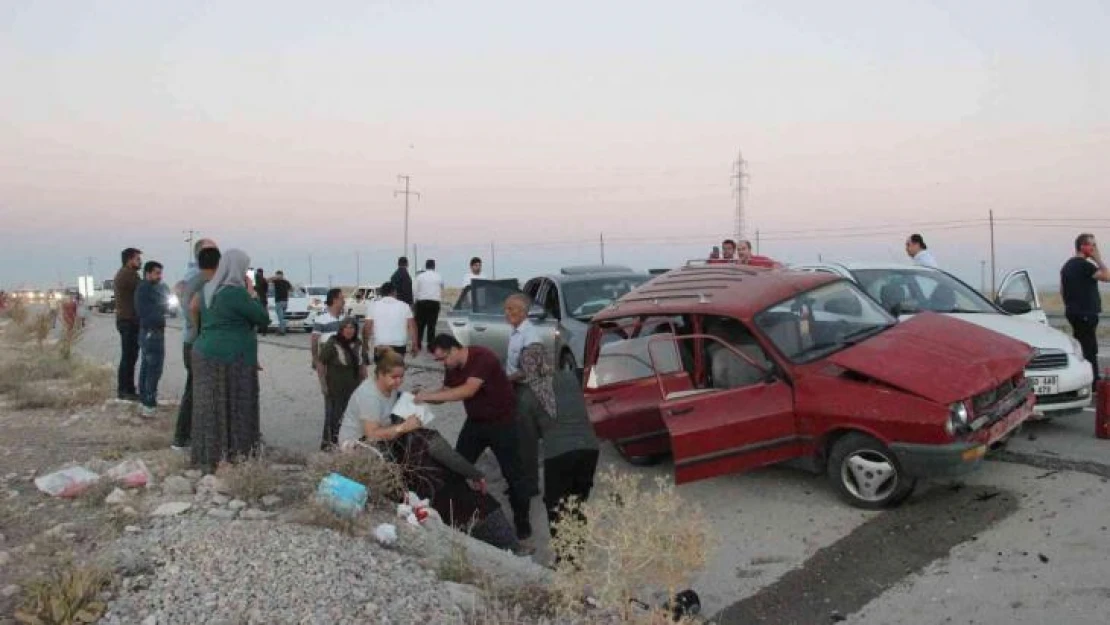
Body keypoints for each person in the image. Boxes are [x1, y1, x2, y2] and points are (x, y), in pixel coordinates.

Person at [416, 334, 533, 540]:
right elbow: (445, 392)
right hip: (476, 423)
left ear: (453, 350)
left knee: (513, 474)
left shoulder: (482, 357)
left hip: (502, 422)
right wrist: (422, 397)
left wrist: (428, 396)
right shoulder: (451, 366)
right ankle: (455, 515)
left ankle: (522, 525)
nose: (442, 363)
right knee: (457, 466)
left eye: (443, 358)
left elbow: (468, 390)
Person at [191, 249, 271, 471]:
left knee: (212, 409)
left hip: (205, 353)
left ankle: (209, 457)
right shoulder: (235, 293)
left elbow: (194, 310)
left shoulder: (208, 289)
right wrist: (253, 293)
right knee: (237, 406)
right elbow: (263, 318)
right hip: (231, 358)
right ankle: (236, 456)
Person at [516, 343, 600, 540]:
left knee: (556, 508)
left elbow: (529, 443)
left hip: (558, 455)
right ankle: (577, 552)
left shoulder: (527, 396)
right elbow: (589, 397)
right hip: (590, 448)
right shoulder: (572, 377)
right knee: (577, 502)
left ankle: (566, 561)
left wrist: (530, 480)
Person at [175, 242, 219, 451]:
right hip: (197, 342)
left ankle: (187, 436)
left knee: (194, 391)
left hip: (192, 340)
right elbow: (192, 308)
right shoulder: (201, 281)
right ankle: (184, 438)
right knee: (195, 392)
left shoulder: (192, 279)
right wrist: (202, 330)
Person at [503, 294, 543, 502]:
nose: (507, 313)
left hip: (526, 390)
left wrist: (505, 379)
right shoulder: (515, 331)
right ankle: (519, 482)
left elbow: (527, 369)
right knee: (516, 439)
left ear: (524, 312)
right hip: (514, 388)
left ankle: (530, 485)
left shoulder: (530, 335)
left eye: (512, 309)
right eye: (506, 309)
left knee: (527, 440)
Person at [1061, 233, 1110, 387]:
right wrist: (1098, 259)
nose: (1094, 248)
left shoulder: (1067, 265)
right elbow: (1107, 276)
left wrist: (1070, 305)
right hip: (1086, 313)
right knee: (1089, 348)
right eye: (1092, 245)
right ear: (1083, 246)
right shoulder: (1084, 265)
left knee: (1082, 346)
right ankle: (1093, 382)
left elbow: (1062, 290)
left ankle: (1086, 379)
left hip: (1073, 312)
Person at [317, 318, 364, 450]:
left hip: (353, 388)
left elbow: (361, 365)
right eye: (346, 327)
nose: (349, 330)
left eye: (352, 327)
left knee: (351, 418)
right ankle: (329, 445)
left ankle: (347, 445)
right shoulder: (333, 342)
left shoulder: (358, 344)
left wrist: (365, 384)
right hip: (335, 388)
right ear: (341, 329)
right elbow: (321, 363)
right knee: (334, 418)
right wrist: (323, 384)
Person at [134, 261, 167, 417]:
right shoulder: (146, 289)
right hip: (152, 333)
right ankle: (149, 404)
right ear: (148, 273)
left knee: (147, 368)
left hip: (148, 332)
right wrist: (160, 313)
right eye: (157, 273)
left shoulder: (148, 288)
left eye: (160, 273)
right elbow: (149, 311)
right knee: (153, 369)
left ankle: (144, 401)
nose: (159, 276)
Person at [114, 247, 143, 401]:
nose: (140, 262)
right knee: (128, 357)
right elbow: (144, 288)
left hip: (128, 321)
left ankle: (128, 389)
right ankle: (124, 390)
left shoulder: (129, 274)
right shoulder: (128, 275)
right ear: (129, 260)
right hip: (128, 322)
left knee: (130, 357)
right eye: (137, 259)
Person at [362, 282, 416, 357]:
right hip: (399, 345)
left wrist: (365, 344)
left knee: (382, 368)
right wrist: (414, 344)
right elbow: (412, 327)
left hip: (380, 345)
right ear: (394, 292)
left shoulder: (373, 306)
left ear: (381, 293)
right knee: (397, 367)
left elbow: (367, 327)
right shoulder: (404, 306)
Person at [414, 259, 443, 352]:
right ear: (434, 266)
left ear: (426, 266)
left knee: (420, 325)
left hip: (422, 303)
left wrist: (416, 300)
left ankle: (418, 345)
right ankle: (431, 346)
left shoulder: (420, 277)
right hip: (434, 303)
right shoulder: (438, 276)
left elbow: (415, 289)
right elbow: (442, 287)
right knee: (431, 325)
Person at [270, 270, 292, 336]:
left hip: (279, 301)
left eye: (277, 275)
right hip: (285, 301)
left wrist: (275, 277)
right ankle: (281, 329)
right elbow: (292, 289)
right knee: (282, 317)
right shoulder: (286, 282)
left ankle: (282, 331)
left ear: (278, 275)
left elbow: (267, 280)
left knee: (280, 317)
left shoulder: (276, 281)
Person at [254, 269, 269, 335]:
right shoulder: (264, 280)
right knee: (263, 314)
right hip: (263, 299)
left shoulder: (255, 280)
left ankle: (258, 328)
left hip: (257, 299)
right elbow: (266, 290)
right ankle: (264, 330)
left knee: (256, 314)